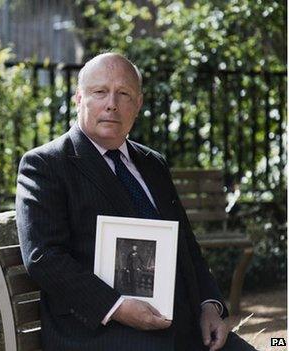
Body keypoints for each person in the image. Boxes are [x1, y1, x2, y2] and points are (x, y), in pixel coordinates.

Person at [15, 52, 256, 351]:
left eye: (124, 93)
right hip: (101, 332)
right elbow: (44, 257)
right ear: (79, 98)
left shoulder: (153, 164)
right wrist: (117, 307)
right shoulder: (46, 164)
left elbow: (186, 245)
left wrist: (210, 305)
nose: (111, 103)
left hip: (182, 326)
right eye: (100, 92)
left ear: (138, 104)